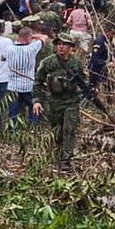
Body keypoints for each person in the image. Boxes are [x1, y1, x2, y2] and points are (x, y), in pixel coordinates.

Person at [33, 33, 86, 171]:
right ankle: (56, 154)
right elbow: (38, 82)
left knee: (69, 129)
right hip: (54, 102)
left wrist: (87, 93)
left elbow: (83, 82)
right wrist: (37, 101)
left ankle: (65, 161)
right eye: (59, 44)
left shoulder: (76, 63)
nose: (61, 47)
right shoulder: (48, 62)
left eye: (64, 44)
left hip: (71, 101)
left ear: (70, 47)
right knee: (56, 130)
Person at [6, 27, 47, 123]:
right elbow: (44, 37)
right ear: (29, 37)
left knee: (13, 112)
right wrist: (34, 36)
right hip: (28, 85)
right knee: (34, 107)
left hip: (13, 86)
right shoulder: (32, 48)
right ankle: (33, 127)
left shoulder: (9, 48)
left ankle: (13, 130)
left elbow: (3, 59)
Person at [89, 22, 115, 97]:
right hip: (96, 71)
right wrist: (106, 63)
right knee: (94, 91)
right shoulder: (99, 42)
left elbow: (111, 51)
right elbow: (94, 59)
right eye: (112, 33)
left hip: (105, 70)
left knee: (110, 87)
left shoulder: (109, 41)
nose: (113, 36)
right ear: (107, 32)